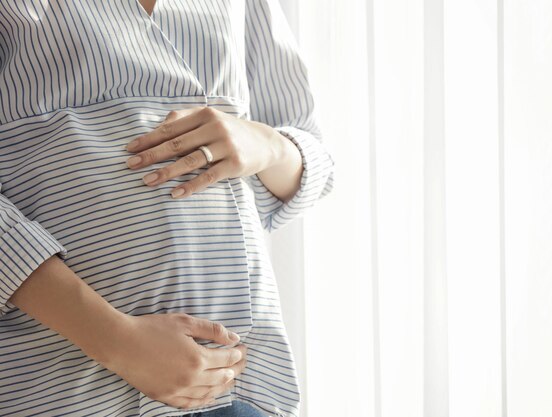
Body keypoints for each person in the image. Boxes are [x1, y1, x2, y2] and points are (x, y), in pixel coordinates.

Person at [0, 1, 334, 417]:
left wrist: (266, 144)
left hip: (236, 386)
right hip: (66, 390)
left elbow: (312, 163)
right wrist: (114, 340)